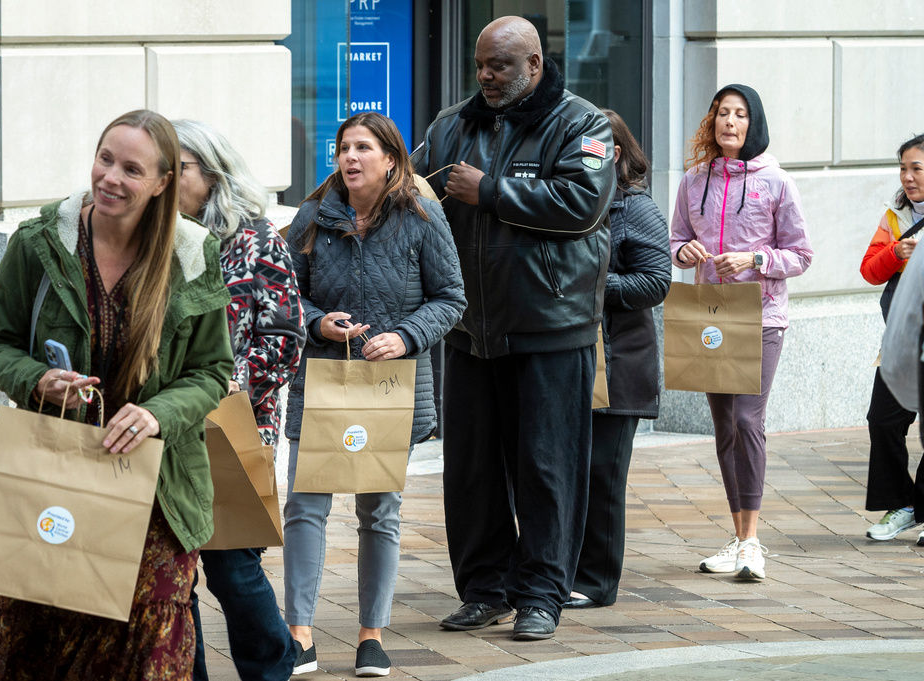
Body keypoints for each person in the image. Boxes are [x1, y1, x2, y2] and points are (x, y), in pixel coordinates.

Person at [0, 110, 234, 678]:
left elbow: (213, 370)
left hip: (156, 489)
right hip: (54, 475)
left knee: (146, 649)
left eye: (132, 169)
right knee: (41, 644)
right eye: (105, 158)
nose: (110, 177)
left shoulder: (192, 256)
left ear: (163, 182)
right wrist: (36, 380)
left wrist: (157, 413)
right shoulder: (40, 244)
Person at [412, 16, 616, 641]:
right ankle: (484, 590)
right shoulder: (450, 126)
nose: (486, 77)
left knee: (545, 470)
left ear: (533, 62)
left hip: (550, 327)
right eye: (480, 65)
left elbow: (584, 203)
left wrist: (492, 191)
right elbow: (408, 189)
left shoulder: (584, 123)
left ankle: (541, 596)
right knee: (470, 469)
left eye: (499, 65)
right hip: (470, 328)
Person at [283, 112, 465, 676]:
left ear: (391, 158)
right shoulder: (312, 216)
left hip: (392, 386)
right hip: (323, 382)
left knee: (378, 512)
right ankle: (300, 633)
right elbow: (285, 295)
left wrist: (405, 336)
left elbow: (451, 297)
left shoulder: (422, 215)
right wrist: (318, 324)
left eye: (363, 147)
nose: (350, 158)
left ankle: (371, 637)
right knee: (306, 506)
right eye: (343, 148)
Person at [172, 119, 305, 681]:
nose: (163, 178)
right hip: (168, 425)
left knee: (231, 566)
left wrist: (227, 384)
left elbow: (285, 338)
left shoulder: (254, 238)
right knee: (176, 570)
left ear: (210, 173)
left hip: (235, 425)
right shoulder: (156, 241)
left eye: (175, 167)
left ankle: (273, 667)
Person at [670, 84, 813, 581]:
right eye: (722, 113)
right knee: (725, 425)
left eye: (740, 114)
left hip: (760, 314)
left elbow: (802, 255)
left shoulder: (776, 181)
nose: (730, 122)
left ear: (755, 124)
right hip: (709, 312)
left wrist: (755, 260)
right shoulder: (693, 180)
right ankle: (738, 536)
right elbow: (676, 237)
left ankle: (753, 542)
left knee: (749, 421)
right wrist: (684, 250)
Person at [565, 110, 671, 610]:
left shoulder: (637, 209)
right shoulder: (567, 202)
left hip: (620, 360)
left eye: (595, 149)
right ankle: (559, 572)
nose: (587, 158)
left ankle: (596, 581)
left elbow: (655, 282)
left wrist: (591, 286)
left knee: (603, 475)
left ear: (619, 152)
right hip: (569, 358)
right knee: (565, 474)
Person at [861, 134, 924, 543]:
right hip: (904, 340)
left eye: (916, 168)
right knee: (882, 420)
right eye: (903, 168)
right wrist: (896, 255)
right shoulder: (896, 216)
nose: (907, 177)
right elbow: (869, 270)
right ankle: (903, 504)